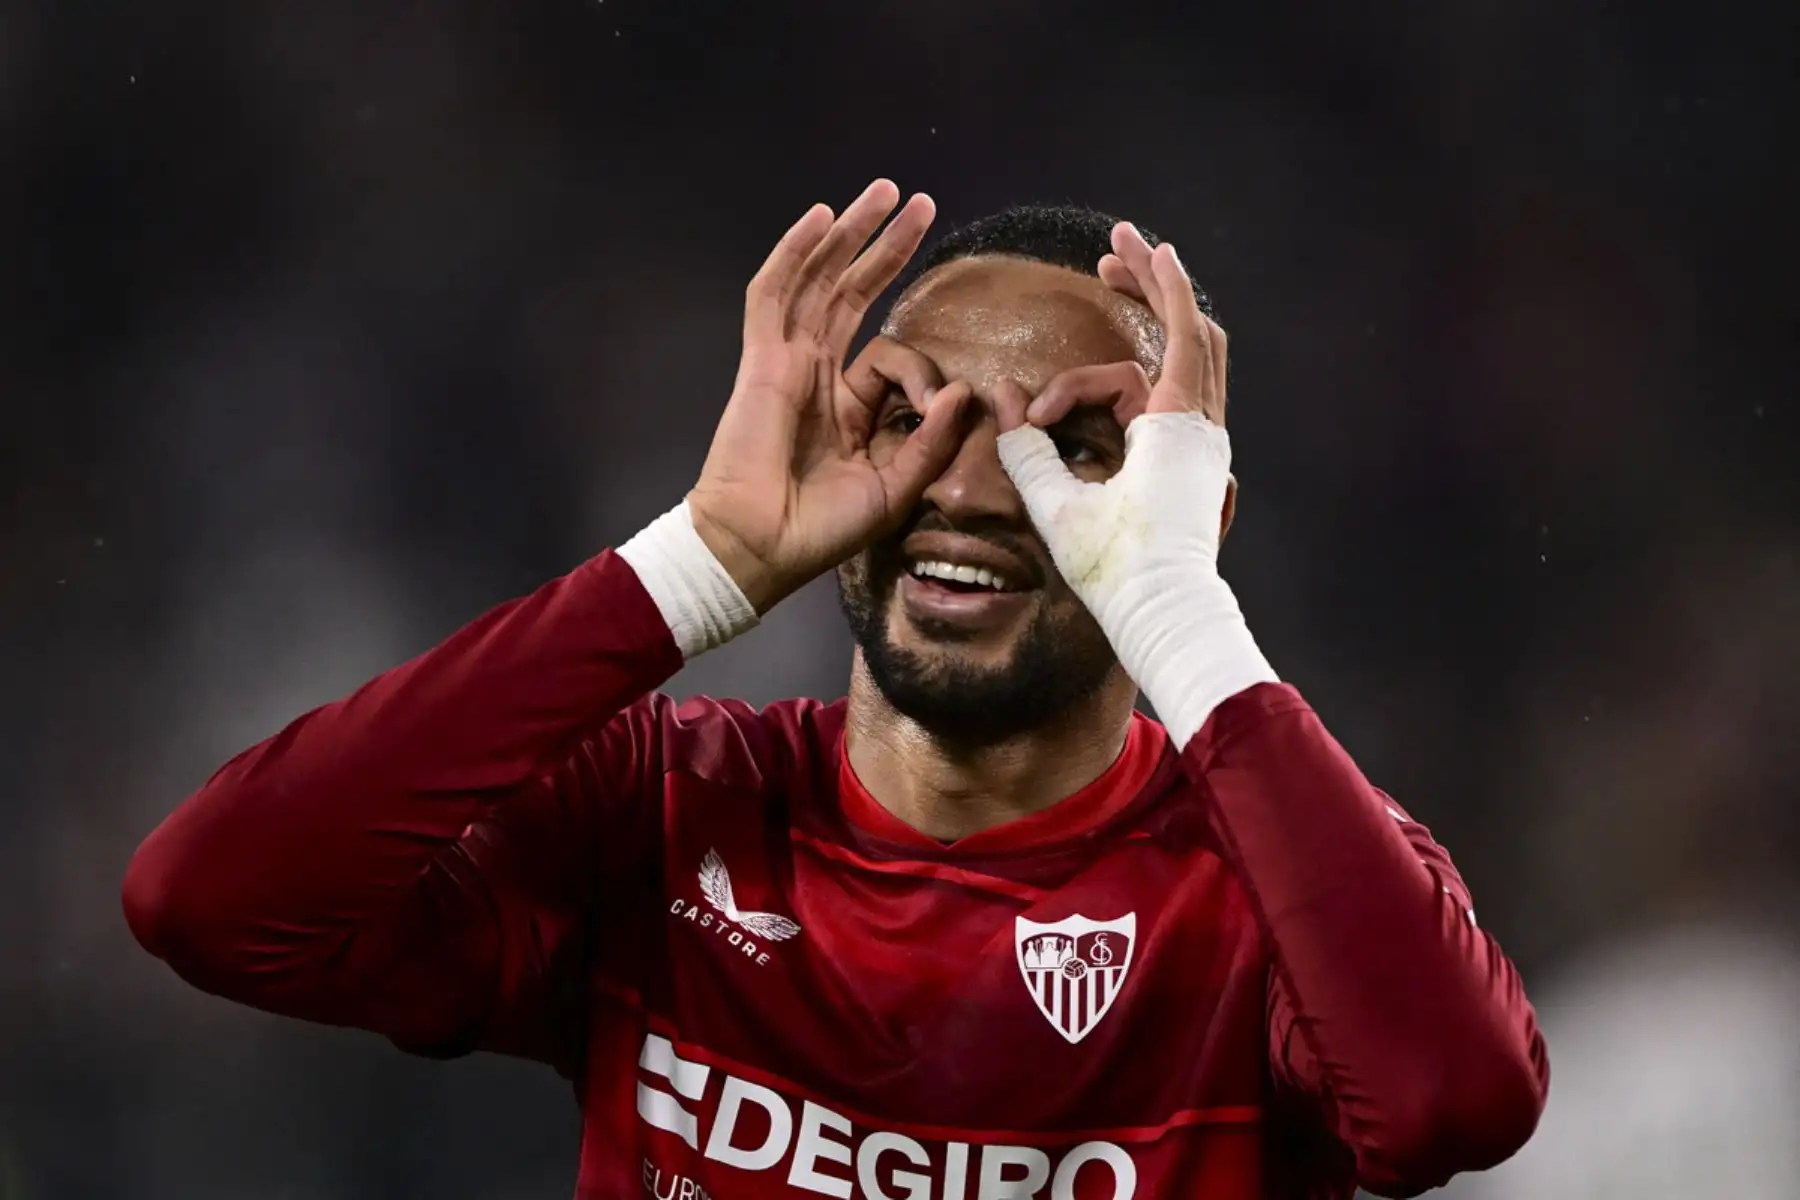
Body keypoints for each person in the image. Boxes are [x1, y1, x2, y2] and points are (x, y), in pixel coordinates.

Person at [123, 180, 1548, 1199]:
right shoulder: (664, 807)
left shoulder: (1270, 878)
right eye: (910, 416)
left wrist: (1181, 621)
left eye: (1078, 446)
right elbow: (212, 901)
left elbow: (1452, 1108)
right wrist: (694, 568)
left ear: (1188, 517)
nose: (976, 491)